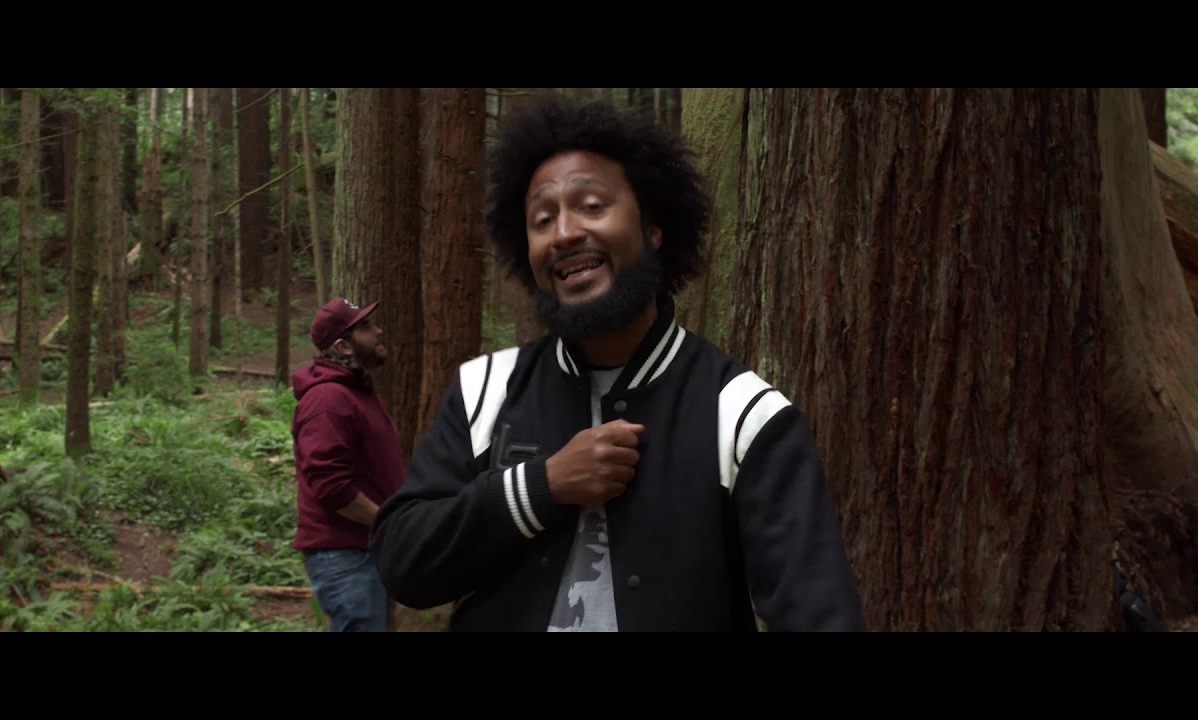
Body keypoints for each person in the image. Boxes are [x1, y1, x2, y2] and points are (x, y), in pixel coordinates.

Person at [370, 95, 865, 632]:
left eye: (591, 205)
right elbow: (403, 561)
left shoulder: (743, 415)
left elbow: (820, 614)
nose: (564, 233)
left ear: (652, 227)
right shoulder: (484, 390)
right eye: (543, 219)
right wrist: (539, 487)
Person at [291, 297, 403, 632]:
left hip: (365, 551)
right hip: (345, 557)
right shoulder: (328, 399)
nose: (378, 331)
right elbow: (331, 485)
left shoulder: (357, 393)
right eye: (366, 327)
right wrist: (387, 522)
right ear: (343, 346)